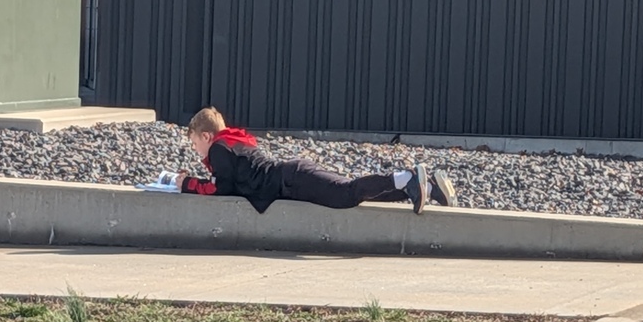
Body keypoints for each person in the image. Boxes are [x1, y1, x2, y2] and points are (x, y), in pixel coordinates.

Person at [175, 107, 456, 215]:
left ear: (206, 135)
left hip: (292, 181)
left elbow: (221, 188)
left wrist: (186, 183)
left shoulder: (218, 149)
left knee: (346, 195)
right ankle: (429, 188)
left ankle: (407, 178)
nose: (195, 148)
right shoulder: (232, 141)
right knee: (354, 194)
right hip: (292, 175)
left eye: (194, 142)